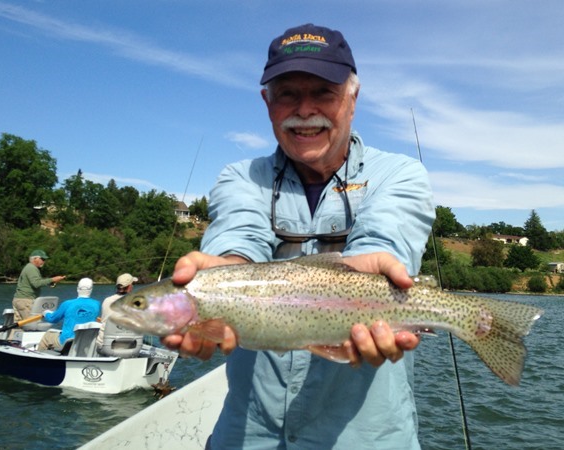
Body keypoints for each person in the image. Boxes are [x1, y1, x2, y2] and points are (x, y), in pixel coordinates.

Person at [164, 23, 436, 449]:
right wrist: (222, 275)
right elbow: (238, 241)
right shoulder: (240, 177)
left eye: (324, 92)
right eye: (287, 93)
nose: (305, 109)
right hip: (247, 433)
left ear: (352, 98)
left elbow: (386, 242)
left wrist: (365, 269)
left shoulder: (400, 175)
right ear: (267, 102)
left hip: (367, 437)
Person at [37, 277, 100, 352]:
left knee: (47, 335)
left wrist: (45, 313)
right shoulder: (97, 304)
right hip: (84, 342)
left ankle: (39, 357)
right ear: (91, 290)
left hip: (67, 342)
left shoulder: (67, 304)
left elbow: (52, 319)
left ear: (77, 289)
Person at [12, 249, 66, 322]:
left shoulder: (29, 267)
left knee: (19, 326)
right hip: (26, 301)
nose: (44, 261)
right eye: (42, 259)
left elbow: (36, 282)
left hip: (19, 300)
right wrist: (52, 280)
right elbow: (36, 284)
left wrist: (51, 282)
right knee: (32, 324)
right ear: (35, 259)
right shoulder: (31, 268)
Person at [96, 272, 138, 348]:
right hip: (128, 346)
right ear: (129, 287)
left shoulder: (106, 301)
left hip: (104, 345)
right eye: (132, 284)